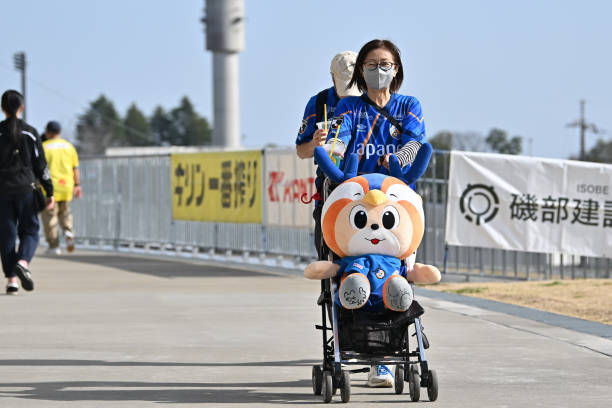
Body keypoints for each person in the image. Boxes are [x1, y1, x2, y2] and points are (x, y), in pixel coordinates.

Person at [323, 39, 428, 388]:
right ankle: (357, 347)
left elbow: (416, 142)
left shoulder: (408, 105)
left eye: (384, 64)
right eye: (370, 64)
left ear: (396, 69)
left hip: (393, 208)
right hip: (355, 207)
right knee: (351, 276)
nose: (378, 70)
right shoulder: (351, 108)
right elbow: (337, 143)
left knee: (394, 275)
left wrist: (399, 161)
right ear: (360, 71)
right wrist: (330, 152)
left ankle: (384, 358)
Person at [295, 51, 361, 258]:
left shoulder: (372, 100)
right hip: (329, 184)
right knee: (327, 250)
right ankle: (330, 288)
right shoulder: (318, 103)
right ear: (332, 77)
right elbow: (300, 150)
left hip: (366, 180)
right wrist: (314, 143)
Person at [0, 90, 54, 294]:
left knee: (6, 235)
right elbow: (41, 165)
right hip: (26, 189)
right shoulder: (30, 133)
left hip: (2, 190)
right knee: (30, 231)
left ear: (2, 108)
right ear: (21, 108)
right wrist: (49, 191)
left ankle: (12, 280)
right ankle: (23, 262)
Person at [41, 121, 81, 254]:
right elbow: (75, 168)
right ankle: (68, 232)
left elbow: (39, 168)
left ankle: (54, 246)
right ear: (59, 132)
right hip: (67, 186)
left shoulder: (44, 147)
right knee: (65, 213)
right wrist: (77, 185)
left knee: (50, 217)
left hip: (50, 188)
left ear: (48, 132)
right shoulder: (69, 147)